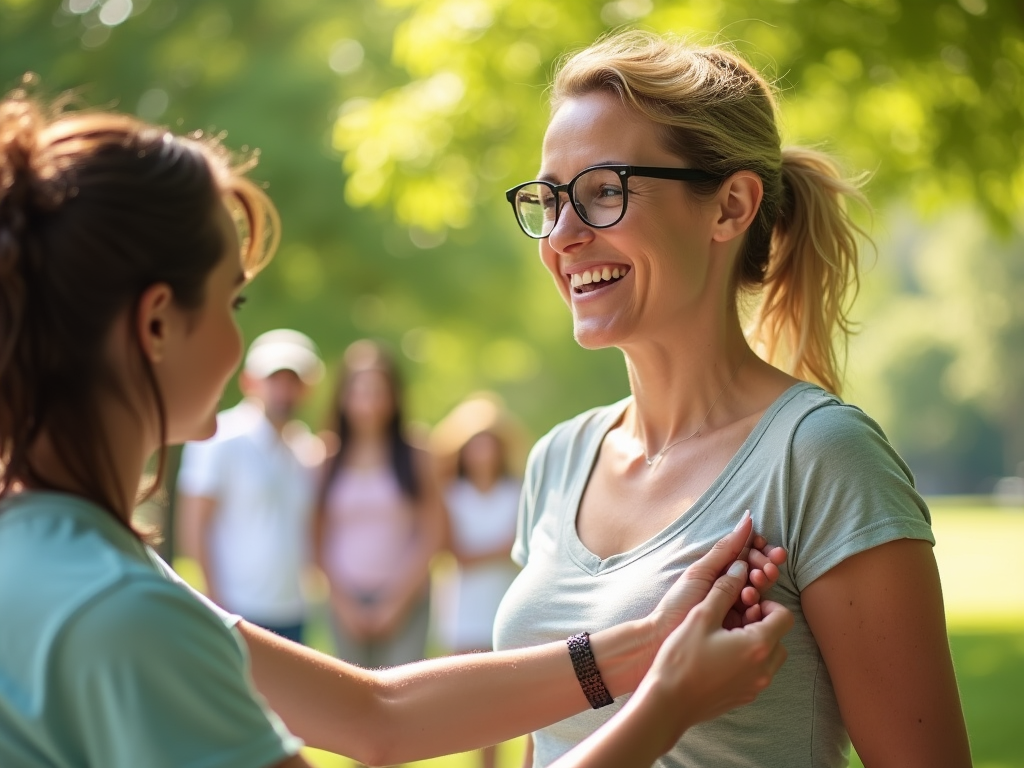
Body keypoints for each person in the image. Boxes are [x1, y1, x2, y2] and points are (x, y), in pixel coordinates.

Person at [0, 87, 792, 768]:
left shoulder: (60, 557)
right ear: (158, 324)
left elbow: (374, 720)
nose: (241, 341)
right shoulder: (122, 612)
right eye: (233, 301)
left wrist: (641, 645)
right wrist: (662, 708)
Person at [495, 30, 971, 768]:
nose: (562, 235)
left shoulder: (820, 456)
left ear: (730, 206)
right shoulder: (558, 460)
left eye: (602, 192)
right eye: (550, 199)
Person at [176, 328, 326, 643]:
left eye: (293, 382)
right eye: (275, 380)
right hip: (237, 610)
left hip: (293, 609)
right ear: (250, 382)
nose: (284, 391)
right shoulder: (219, 438)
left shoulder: (304, 448)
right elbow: (194, 524)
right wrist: (215, 604)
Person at [312, 339, 444, 669]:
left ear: (395, 396)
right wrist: (343, 602)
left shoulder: (417, 454)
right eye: (360, 391)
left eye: (378, 391)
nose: (369, 402)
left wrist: (396, 602)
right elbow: (315, 537)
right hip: (345, 601)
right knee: (349, 705)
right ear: (343, 397)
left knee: (403, 699)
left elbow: (433, 532)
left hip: (406, 600)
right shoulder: (325, 457)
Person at [430, 393, 527, 768]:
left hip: (503, 603)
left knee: (500, 696)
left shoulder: (515, 491)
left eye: (489, 443)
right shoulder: (451, 494)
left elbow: (520, 548)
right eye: (474, 444)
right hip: (462, 605)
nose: (482, 452)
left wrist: (492, 551)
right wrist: (498, 549)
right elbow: (453, 552)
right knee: (466, 695)